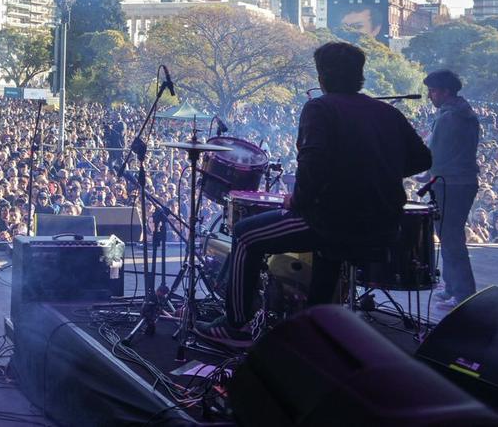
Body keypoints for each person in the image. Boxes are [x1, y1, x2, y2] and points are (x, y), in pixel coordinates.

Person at [199, 42, 432, 349]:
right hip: (385, 223)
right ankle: (314, 333)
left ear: (322, 77)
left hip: (333, 219)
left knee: (244, 235)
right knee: (327, 252)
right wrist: (378, 172)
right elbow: (423, 159)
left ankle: (235, 326)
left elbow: (314, 164)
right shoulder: (388, 112)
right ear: (359, 76)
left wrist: (296, 201)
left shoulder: (320, 108)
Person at [422, 69, 480, 308]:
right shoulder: (462, 111)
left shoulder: (450, 118)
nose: (429, 96)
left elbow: (438, 153)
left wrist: (426, 171)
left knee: (451, 240)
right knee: (449, 237)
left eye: (433, 91)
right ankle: (452, 286)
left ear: (446, 91)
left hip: (451, 183)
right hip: (459, 181)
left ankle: (463, 294)